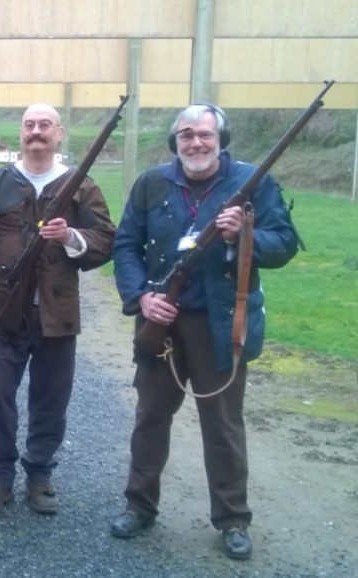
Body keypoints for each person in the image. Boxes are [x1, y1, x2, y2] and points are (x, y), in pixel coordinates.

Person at [108, 104, 299, 560]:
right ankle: (139, 506)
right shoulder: (153, 183)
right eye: (187, 135)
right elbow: (126, 244)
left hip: (219, 325)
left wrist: (243, 235)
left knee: (223, 426)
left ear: (221, 139)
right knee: (150, 418)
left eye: (205, 135)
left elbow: (284, 244)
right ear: (176, 141)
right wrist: (141, 297)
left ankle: (232, 519)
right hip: (161, 320)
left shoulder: (253, 183)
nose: (196, 143)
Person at [0, 103, 115, 516]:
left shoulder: (81, 186)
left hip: (57, 313)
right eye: (29, 125)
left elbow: (106, 239)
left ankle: (40, 475)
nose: (36, 131)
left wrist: (71, 235)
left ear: (59, 133)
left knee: (51, 397)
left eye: (44, 125)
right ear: (21, 132)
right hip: (4, 310)